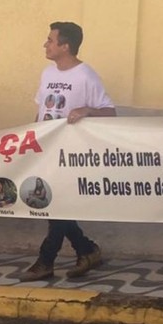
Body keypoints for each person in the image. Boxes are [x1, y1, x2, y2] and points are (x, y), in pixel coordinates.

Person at [18, 21, 117, 282]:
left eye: (50, 40)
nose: (45, 44)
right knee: (56, 205)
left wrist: (88, 110)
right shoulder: (47, 73)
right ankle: (86, 249)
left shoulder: (86, 75)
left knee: (58, 204)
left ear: (65, 46)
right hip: (48, 148)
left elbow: (110, 112)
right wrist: (34, 138)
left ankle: (46, 260)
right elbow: (41, 110)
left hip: (72, 152)